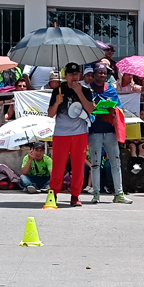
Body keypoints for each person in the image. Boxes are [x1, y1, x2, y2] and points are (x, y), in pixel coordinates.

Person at [48, 61, 95, 207]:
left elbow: (91, 110)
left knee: (78, 166)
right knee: (58, 165)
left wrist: (80, 92)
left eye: (76, 74)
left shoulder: (86, 90)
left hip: (80, 133)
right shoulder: (58, 90)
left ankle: (75, 195)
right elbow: (50, 114)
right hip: (61, 133)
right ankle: (53, 193)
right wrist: (57, 103)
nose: (74, 77)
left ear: (80, 75)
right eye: (71, 74)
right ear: (66, 76)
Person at [87, 62, 131, 204]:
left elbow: (119, 108)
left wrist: (113, 110)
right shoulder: (87, 91)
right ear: (93, 75)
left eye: (104, 73)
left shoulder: (111, 90)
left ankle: (119, 194)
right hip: (94, 131)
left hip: (110, 131)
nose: (102, 75)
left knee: (116, 163)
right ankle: (96, 194)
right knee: (95, 164)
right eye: (99, 73)